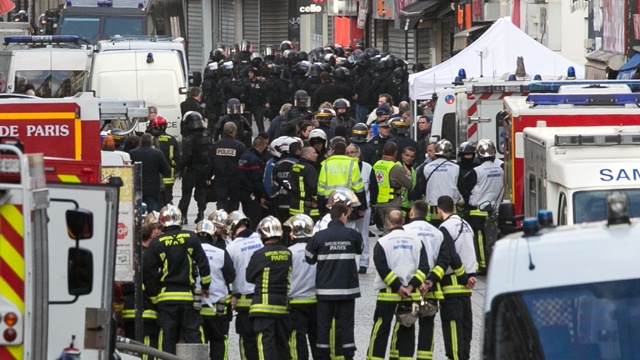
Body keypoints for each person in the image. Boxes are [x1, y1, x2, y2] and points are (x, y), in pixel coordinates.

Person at [142, 205, 211, 355]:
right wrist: (206, 286)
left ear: (162, 223)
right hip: (187, 296)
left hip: (166, 298)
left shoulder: (157, 243)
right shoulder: (191, 238)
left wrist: (154, 296)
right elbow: (203, 264)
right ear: (179, 220)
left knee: (167, 333)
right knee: (192, 331)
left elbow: (148, 272)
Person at [366, 209, 429, 360]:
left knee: (380, 329)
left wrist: (397, 287)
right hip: (410, 295)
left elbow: (382, 268)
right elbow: (424, 268)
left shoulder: (382, 243)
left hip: (388, 294)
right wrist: (410, 286)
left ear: (388, 222)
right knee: (407, 330)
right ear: (403, 221)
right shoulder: (417, 242)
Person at [305, 203, 363, 360]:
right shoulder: (352, 234)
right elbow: (360, 249)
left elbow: (309, 259)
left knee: (323, 326)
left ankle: (323, 355)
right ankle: (348, 355)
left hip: (325, 291)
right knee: (346, 325)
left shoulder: (318, 236)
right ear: (343, 215)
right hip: (347, 290)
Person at [403, 200, 450, 360]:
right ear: (428, 214)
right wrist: (430, 280)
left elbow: (402, 259)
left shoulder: (404, 230)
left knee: (405, 325)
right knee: (427, 326)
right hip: (431, 289)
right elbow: (444, 260)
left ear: (411, 212)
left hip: (409, 288)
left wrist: (415, 282)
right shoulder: (437, 233)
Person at [435, 195, 477, 360]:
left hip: (453, 284)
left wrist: (463, 277)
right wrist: (471, 276)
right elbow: (471, 251)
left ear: (439, 210)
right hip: (467, 289)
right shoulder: (467, 225)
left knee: (453, 326)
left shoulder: (445, 227)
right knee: (466, 328)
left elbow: (450, 256)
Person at [246, 216, 293, 359]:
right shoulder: (287, 253)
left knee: (265, 345)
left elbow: (249, 277)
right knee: (283, 344)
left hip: (263, 307)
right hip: (282, 306)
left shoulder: (260, 254)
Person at [458, 139, 503, 272]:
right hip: (495, 211)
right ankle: (491, 264)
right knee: (492, 239)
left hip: (476, 212)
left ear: (478, 155)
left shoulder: (476, 172)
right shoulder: (500, 170)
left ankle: (483, 265)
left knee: (479, 240)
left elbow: (465, 189)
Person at [224, 211, 264, 360]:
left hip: (243, 301)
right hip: (262, 298)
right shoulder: (260, 239)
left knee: (246, 340)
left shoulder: (232, 247)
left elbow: (228, 275)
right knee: (261, 338)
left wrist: (231, 294)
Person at [195, 220, 236, 360]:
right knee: (219, 341)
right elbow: (231, 277)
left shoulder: (191, 252)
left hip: (197, 308)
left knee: (199, 344)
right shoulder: (221, 253)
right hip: (218, 309)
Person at [121, 219, 161, 354]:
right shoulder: (151, 256)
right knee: (147, 347)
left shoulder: (130, 255)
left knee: (130, 346)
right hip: (146, 308)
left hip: (128, 308)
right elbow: (152, 280)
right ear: (151, 234)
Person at [284, 214, 318, 360]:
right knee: (318, 341)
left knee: (298, 342)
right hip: (316, 302)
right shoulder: (317, 251)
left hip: (295, 303)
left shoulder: (289, 253)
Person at [346, 144, 377, 274]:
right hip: (349, 207)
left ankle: (364, 263)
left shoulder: (367, 167)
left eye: (353, 152)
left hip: (365, 207)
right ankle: (350, 261)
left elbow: (374, 187)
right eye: (348, 153)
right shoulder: (345, 168)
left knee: (363, 233)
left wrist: (370, 205)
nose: (351, 155)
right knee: (349, 235)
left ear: (359, 153)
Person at [177, 111, 213, 224]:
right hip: (205, 169)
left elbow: (186, 156)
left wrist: (180, 168)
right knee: (201, 192)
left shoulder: (189, 138)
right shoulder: (207, 135)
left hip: (192, 169)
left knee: (186, 194)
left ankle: (183, 215)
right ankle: (201, 214)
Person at [317, 140, 367, 214]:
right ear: (345, 152)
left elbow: (321, 188)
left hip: (330, 202)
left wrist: (321, 207)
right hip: (349, 201)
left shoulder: (326, 164)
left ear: (333, 152)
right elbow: (358, 187)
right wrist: (362, 206)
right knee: (350, 224)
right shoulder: (353, 164)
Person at [372, 141, 413, 233]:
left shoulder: (376, 164)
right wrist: (408, 174)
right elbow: (409, 184)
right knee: (391, 230)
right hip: (392, 203)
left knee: (386, 227)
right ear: (395, 153)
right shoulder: (394, 167)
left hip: (379, 202)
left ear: (383, 151)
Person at [422, 139, 461, 227]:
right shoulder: (456, 168)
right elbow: (460, 187)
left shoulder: (427, 167)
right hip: (450, 208)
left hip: (433, 208)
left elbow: (422, 187)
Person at [210, 122, 246, 214]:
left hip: (220, 178)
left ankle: (221, 220)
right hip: (235, 179)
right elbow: (243, 165)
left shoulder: (216, 145)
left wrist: (208, 176)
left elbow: (210, 162)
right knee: (234, 201)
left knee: (221, 201)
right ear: (234, 132)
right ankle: (231, 222)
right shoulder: (239, 146)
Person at [129, 133, 171, 212]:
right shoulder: (158, 154)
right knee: (153, 213)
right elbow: (166, 171)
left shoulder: (132, 153)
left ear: (140, 142)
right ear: (151, 142)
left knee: (136, 211)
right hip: (152, 189)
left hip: (137, 187)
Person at [149, 115, 180, 208]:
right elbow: (177, 158)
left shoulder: (151, 140)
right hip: (169, 174)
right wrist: (176, 170)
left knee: (156, 199)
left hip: (155, 175)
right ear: (166, 126)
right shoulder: (172, 139)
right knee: (168, 198)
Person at [237, 136, 268, 228]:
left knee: (248, 216)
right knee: (255, 219)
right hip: (252, 194)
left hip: (242, 191)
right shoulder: (254, 160)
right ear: (261, 146)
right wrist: (262, 195)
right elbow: (256, 179)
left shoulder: (243, 156)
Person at [289, 146, 320, 220]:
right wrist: (316, 199)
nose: (317, 155)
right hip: (308, 208)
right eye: (314, 153)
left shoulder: (293, 167)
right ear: (307, 155)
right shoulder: (310, 169)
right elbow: (313, 187)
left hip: (294, 205)